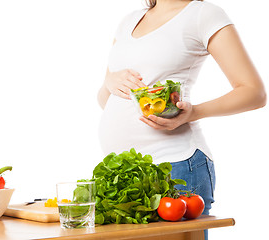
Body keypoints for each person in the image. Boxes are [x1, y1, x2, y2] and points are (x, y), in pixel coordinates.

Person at [97, 0, 266, 239]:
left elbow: (254, 92)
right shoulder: (129, 21)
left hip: (175, 167)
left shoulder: (203, 15)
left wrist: (194, 112)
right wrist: (109, 82)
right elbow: (106, 100)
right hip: (126, 176)